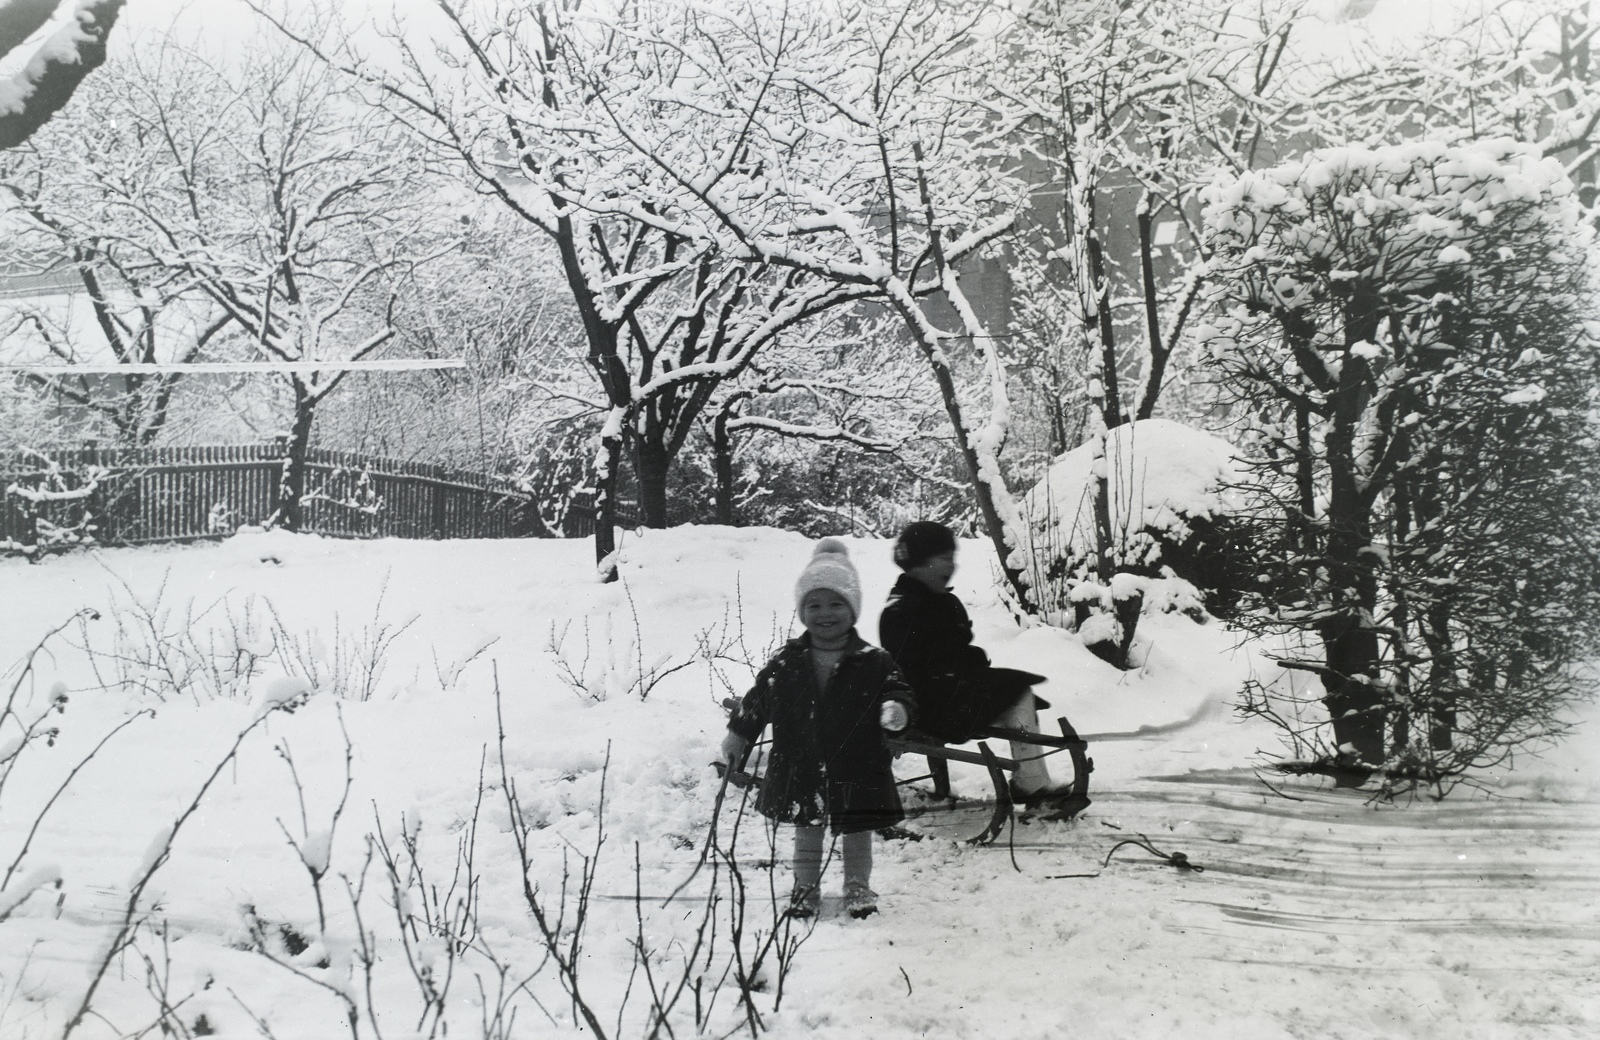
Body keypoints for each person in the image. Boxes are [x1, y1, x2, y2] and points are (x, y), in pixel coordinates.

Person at [719, 537, 915, 920]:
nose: (825, 613)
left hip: (858, 763)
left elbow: (899, 689)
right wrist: (739, 734)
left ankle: (858, 889)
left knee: (857, 834)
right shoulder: (786, 661)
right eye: (814, 604)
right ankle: (805, 890)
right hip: (802, 762)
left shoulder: (874, 661)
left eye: (836, 603)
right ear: (801, 610)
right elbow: (759, 700)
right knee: (807, 834)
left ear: (853, 608)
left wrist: (897, 710)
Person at [877, 521, 1073, 806]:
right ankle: (1029, 783)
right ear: (919, 562)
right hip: (926, 708)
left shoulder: (943, 602)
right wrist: (969, 663)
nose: (952, 565)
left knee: (1020, 694)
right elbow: (913, 667)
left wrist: (970, 661)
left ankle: (1031, 781)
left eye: (953, 557)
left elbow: (954, 650)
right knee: (1017, 692)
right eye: (944, 558)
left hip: (949, 697)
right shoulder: (902, 609)